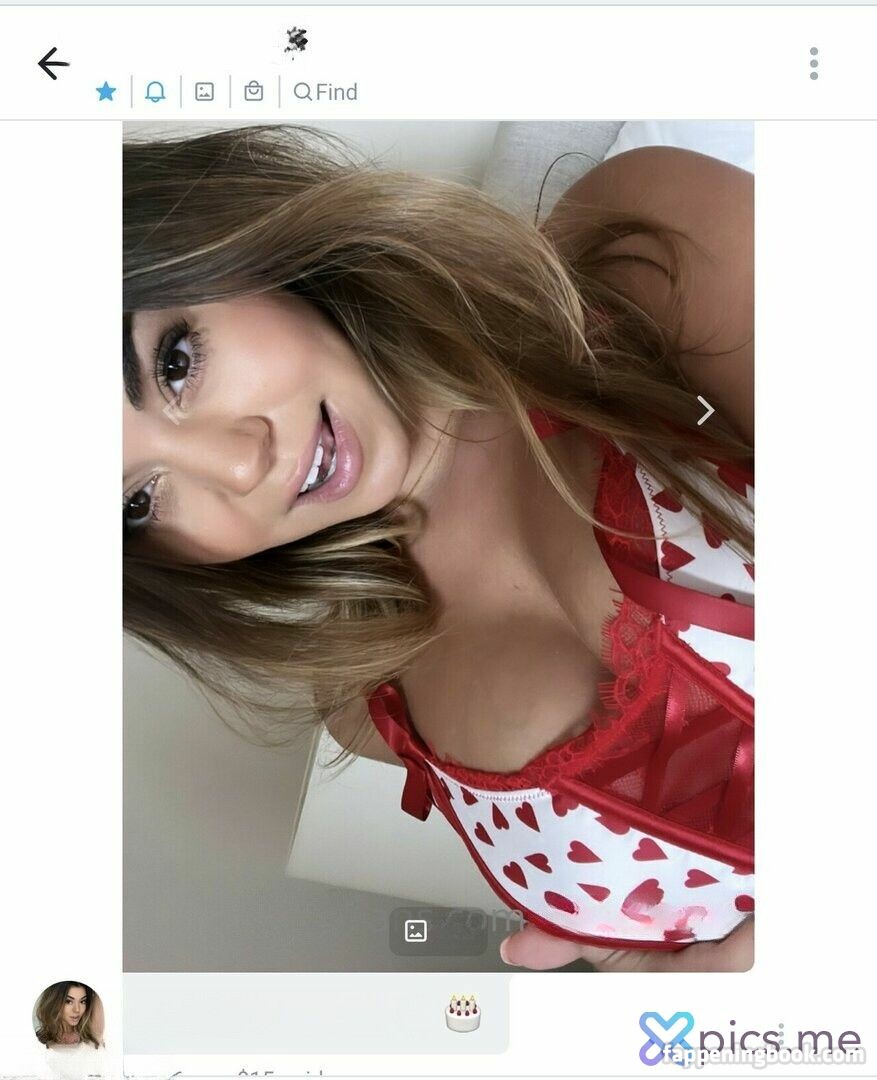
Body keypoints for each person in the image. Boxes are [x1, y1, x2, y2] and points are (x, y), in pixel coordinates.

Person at [123, 124, 753, 970]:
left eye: (175, 363)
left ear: (227, 241)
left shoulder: (636, 255)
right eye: (137, 501)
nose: (240, 463)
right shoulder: (367, 706)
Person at [34, 981, 109, 1079]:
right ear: (54, 1002)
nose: (77, 1009)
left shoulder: (92, 1040)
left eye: (82, 1001)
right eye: (68, 1001)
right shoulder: (39, 1042)